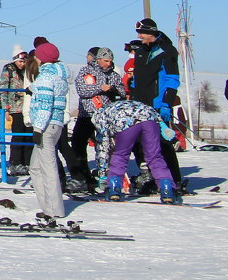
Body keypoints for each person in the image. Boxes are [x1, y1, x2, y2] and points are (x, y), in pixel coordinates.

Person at [128, 17, 184, 192]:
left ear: (151, 32)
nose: (140, 36)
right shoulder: (141, 51)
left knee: (162, 143)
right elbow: (138, 77)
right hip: (140, 105)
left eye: (142, 33)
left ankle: (174, 180)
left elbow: (172, 79)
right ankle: (151, 176)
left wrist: (167, 103)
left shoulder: (167, 51)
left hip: (158, 105)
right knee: (139, 143)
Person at [92, 99, 179, 203]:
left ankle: (114, 189)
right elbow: (154, 114)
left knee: (120, 155)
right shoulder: (118, 106)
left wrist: (103, 176)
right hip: (150, 118)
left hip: (125, 120)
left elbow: (103, 149)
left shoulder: (99, 117)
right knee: (155, 157)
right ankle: (167, 189)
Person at [28, 41, 69, 220]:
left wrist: (37, 128)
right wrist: (33, 89)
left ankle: (54, 210)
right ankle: (47, 205)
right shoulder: (59, 76)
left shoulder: (45, 78)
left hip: (45, 126)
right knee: (35, 167)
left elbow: (45, 104)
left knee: (47, 168)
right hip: (57, 124)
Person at [72, 46, 121, 192]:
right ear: (98, 59)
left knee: (104, 146)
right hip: (87, 114)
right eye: (106, 60)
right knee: (78, 143)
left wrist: (113, 90)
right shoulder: (86, 72)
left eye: (110, 61)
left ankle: (106, 175)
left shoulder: (114, 74)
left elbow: (122, 91)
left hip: (105, 116)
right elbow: (82, 90)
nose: (108, 63)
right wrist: (100, 88)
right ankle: (82, 175)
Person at [0, 46, 31, 175]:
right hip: (14, 107)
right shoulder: (9, 69)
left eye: (24, 62)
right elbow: (3, 89)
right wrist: (5, 108)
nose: (22, 64)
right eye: (20, 62)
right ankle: (15, 162)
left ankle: (27, 162)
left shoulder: (27, 71)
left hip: (27, 108)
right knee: (18, 135)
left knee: (28, 136)